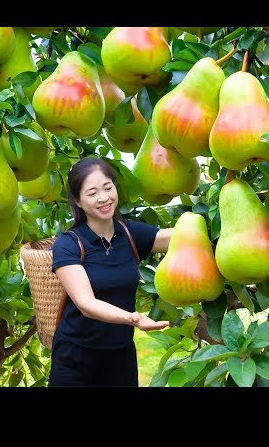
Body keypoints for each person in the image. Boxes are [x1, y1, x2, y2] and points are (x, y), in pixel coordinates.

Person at [49, 156, 173, 387]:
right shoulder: (68, 244)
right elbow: (86, 304)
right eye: (92, 192)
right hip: (75, 355)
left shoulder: (129, 233)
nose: (104, 198)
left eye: (108, 187)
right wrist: (133, 318)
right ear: (77, 200)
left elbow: (177, 237)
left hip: (120, 354)